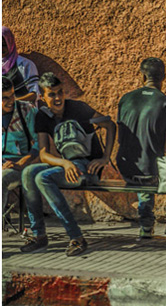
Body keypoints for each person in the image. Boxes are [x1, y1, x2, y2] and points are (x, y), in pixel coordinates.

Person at [20, 72, 116, 256]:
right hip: (67, 166)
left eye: (60, 92)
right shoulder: (43, 116)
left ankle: (76, 237)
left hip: (87, 168)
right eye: (52, 94)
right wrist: (64, 163)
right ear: (42, 96)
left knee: (43, 178)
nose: (57, 98)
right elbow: (43, 154)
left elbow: (110, 125)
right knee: (28, 173)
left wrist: (104, 159)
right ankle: (39, 235)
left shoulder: (79, 109)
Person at [116, 57, 166, 240]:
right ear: (164, 77)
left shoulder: (125, 100)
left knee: (146, 165)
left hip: (125, 169)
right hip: (149, 173)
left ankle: (146, 225)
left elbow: (122, 137)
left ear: (142, 77)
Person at [2, 76, 39, 212]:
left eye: (12, 95)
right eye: (4, 98)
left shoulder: (27, 111)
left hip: (18, 166)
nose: (11, 101)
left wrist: (21, 163)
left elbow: (38, 143)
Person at [2, 26, 40, 102]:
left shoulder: (25, 65)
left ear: (10, 42)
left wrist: (13, 103)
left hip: (22, 111)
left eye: (4, 44)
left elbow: (35, 94)